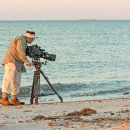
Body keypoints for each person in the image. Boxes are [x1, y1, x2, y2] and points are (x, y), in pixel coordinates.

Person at [0, 30, 37, 106]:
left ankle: (14, 99)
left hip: (17, 63)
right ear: (28, 37)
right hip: (12, 61)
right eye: (32, 38)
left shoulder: (23, 41)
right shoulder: (21, 39)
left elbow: (21, 51)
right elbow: (20, 51)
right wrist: (26, 61)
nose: (33, 40)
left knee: (15, 81)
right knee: (9, 79)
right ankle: (4, 98)